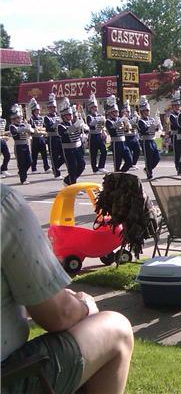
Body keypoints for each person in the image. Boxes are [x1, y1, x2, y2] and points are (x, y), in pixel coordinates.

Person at [1, 183, 134, 394]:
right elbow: (58, 314)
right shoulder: (5, 203)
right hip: (7, 378)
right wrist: (85, 305)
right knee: (116, 329)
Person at [57, 98, 87, 186]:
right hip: (68, 150)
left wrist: (84, 129)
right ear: (63, 115)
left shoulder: (73, 123)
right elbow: (66, 132)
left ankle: (67, 180)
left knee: (82, 165)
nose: (70, 116)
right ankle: (72, 186)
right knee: (72, 168)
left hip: (77, 148)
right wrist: (75, 126)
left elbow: (82, 131)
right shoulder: (60, 125)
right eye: (68, 115)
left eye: (71, 114)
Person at [104, 95, 133, 173]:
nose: (117, 113)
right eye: (115, 111)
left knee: (129, 161)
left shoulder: (120, 119)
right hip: (116, 144)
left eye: (117, 111)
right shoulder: (108, 121)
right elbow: (112, 131)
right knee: (117, 164)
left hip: (124, 143)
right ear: (110, 112)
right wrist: (119, 123)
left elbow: (127, 131)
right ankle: (117, 177)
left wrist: (127, 125)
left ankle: (121, 174)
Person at [8, 103, 33, 185]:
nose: (20, 119)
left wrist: (30, 129)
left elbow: (30, 133)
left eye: (20, 117)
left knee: (29, 162)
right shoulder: (12, 126)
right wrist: (24, 128)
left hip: (26, 145)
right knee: (21, 163)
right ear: (14, 119)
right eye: (18, 118)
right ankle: (23, 179)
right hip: (19, 146)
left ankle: (22, 173)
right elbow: (15, 132)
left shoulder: (23, 124)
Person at [137, 96, 161, 180]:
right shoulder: (140, 121)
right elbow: (144, 130)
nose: (147, 112)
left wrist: (158, 124)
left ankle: (147, 169)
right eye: (145, 111)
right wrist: (153, 126)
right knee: (148, 158)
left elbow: (157, 129)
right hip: (145, 141)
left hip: (152, 140)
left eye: (147, 110)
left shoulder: (151, 119)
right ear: (141, 111)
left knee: (157, 157)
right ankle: (149, 174)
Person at [86, 93, 109, 174]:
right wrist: (97, 119)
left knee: (104, 151)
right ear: (90, 108)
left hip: (99, 135)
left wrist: (104, 131)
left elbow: (102, 125)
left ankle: (101, 167)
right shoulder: (89, 116)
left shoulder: (99, 115)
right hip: (93, 136)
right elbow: (91, 124)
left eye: (95, 107)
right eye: (93, 107)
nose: (95, 108)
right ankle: (94, 169)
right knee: (93, 153)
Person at [44, 93, 64, 178]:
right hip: (52, 138)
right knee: (54, 156)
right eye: (51, 107)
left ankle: (55, 167)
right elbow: (49, 128)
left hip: (59, 137)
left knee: (63, 155)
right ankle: (56, 173)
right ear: (48, 108)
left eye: (54, 107)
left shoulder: (59, 116)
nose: (53, 109)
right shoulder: (46, 117)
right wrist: (56, 123)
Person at [27, 97, 50, 173]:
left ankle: (46, 167)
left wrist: (41, 129)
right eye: (36, 110)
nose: (38, 111)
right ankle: (34, 168)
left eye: (38, 110)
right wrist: (37, 130)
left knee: (44, 154)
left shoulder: (41, 118)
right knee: (34, 154)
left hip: (41, 137)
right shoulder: (31, 119)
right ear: (33, 111)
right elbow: (32, 129)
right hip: (35, 138)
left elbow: (44, 127)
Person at [121, 100, 141, 171]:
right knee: (129, 151)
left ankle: (133, 164)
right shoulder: (122, 119)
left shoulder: (132, 117)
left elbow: (138, 125)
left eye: (128, 112)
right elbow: (126, 127)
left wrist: (137, 118)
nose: (127, 113)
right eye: (126, 111)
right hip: (127, 137)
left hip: (134, 136)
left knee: (137, 150)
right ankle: (129, 164)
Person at [168, 91, 181, 175]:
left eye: (179, 105)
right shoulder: (172, 115)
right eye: (176, 106)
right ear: (173, 106)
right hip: (175, 135)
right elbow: (175, 124)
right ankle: (178, 167)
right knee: (178, 152)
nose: (178, 107)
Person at [0, 105, 13, 178]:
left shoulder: (3, 120)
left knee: (7, 155)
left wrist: (8, 133)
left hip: (2, 140)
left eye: (1, 110)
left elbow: (3, 132)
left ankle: (3, 169)